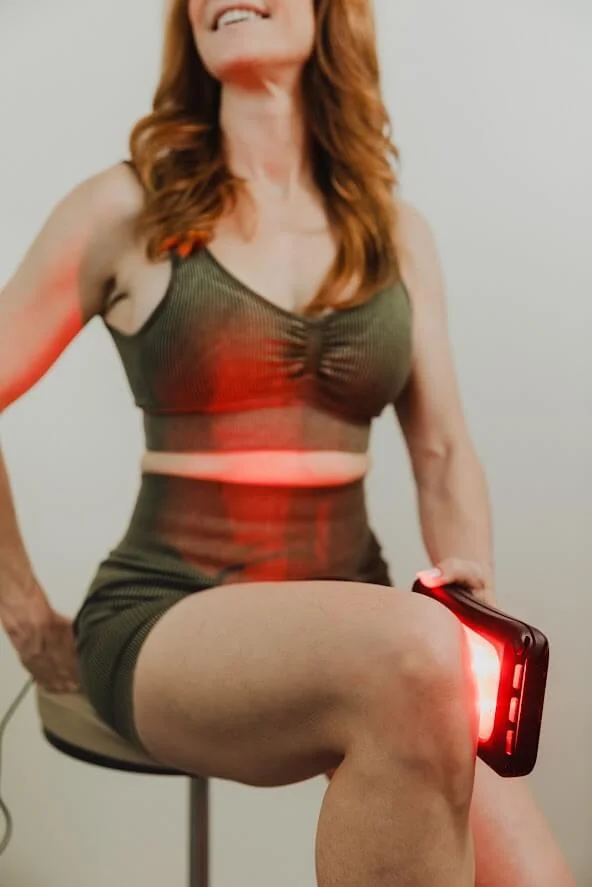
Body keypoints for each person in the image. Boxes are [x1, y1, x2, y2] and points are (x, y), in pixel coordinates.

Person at [0, 1, 575, 884]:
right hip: (169, 613)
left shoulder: (397, 236)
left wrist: (474, 594)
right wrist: (23, 608)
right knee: (412, 654)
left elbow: (443, 452)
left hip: (369, 628)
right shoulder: (127, 207)